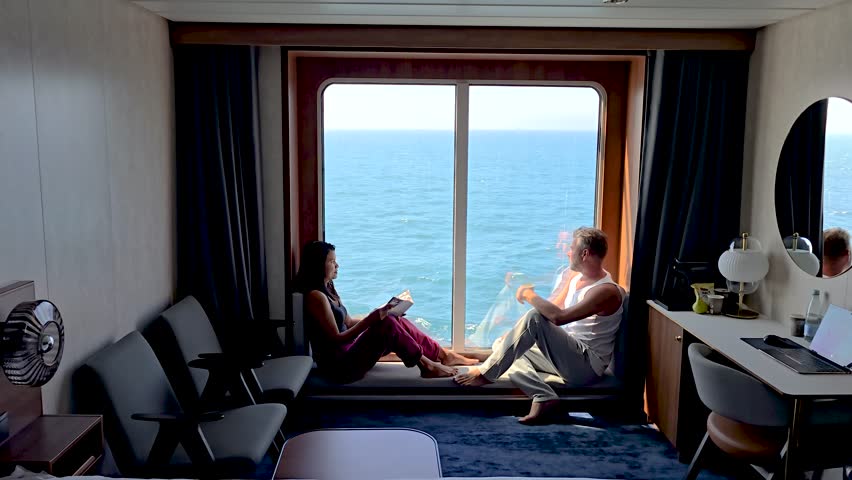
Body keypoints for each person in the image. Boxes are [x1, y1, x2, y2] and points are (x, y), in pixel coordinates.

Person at [455, 227, 624, 424]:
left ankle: (486, 374)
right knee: (505, 346)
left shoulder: (605, 291)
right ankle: (545, 397)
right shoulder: (576, 278)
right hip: (567, 356)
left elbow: (558, 317)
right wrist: (514, 332)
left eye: (571, 248)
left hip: (586, 366)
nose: (568, 252)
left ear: (584, 254)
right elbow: (554, 306)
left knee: (533, 318)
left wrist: (528, 294)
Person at [296, 240, 478, 384]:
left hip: (349, 353)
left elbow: (349, 322)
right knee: (388, 323)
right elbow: (336, 339)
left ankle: (444, 356)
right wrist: (373, 319)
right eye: (332, 261)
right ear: (318, 265)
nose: (337, 265)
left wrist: (382, 312)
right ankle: (427, 366)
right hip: (340, 368)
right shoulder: (316, 297)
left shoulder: (329, 289)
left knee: (394, 320)